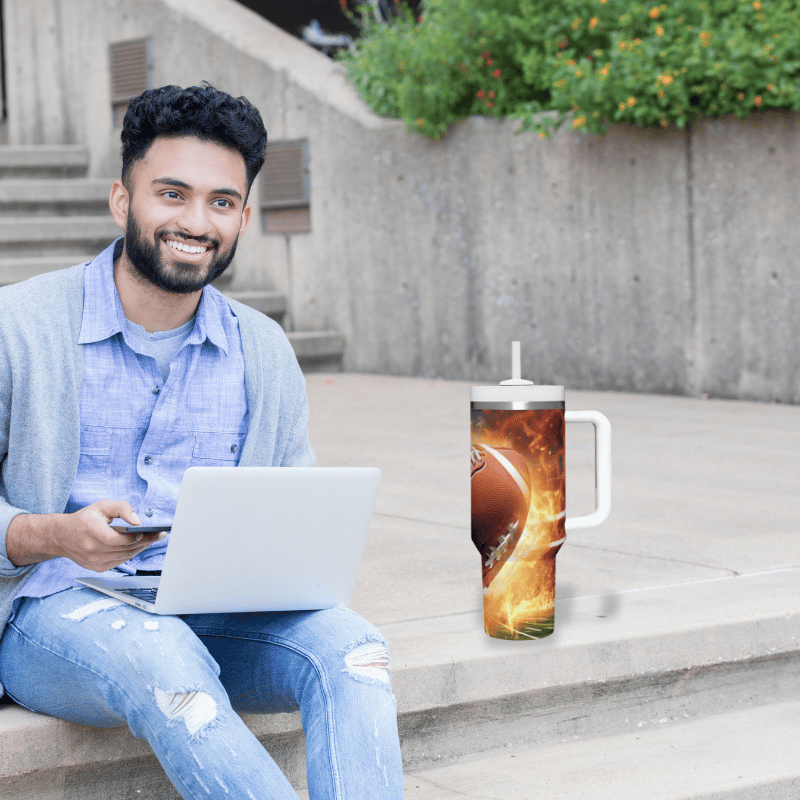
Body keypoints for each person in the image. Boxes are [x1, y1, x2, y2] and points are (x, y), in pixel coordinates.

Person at [0, 84, 403, 799]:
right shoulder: (19, 328)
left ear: (245, 216)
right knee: (166, 658)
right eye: (172, 193)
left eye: (221, 202)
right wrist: (52, 533)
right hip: (50, 616)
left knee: (353, 651)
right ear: (123, 201)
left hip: (213, 614)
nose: (196, 221)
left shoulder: (262, 350)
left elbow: (291, 512)